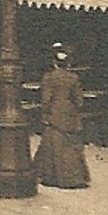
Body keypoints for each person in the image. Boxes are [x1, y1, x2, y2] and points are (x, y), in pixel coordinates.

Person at [34, 45, 90, 188]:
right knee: (71, 146)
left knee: (52, 145)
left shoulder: (49, 77)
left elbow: (46, 100)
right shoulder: (73, 77)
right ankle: (74, 178)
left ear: (54, 63)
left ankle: (51, 177)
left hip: (54, 112)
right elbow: (79, 100)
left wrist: (45, 113)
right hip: (70, 113)